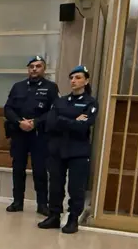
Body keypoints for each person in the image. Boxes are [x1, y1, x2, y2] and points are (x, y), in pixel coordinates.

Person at [38, 66, 98, 234]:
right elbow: (51, 123)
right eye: (71, 78)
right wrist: (73, 119)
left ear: (86, 81)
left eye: (78, 77)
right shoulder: (60, 101)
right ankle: (54, 216)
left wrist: (62, 119)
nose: (73, 81)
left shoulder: (90, 102)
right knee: (55, 185)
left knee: (76, 187)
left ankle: (73, 219)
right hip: (57, 149)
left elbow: (83, 126)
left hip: (78, 151)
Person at [3, 55, 59, 215]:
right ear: (28, 69)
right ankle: (17, 202)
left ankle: (42, 204)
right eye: (31, 66)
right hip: (19, 133)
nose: (34, 69)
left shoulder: (51, 87)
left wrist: (35, 122)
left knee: (40, 170)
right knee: (17, 168)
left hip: (39, 135)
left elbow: (54, 111)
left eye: (38, 66)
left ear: (44, 69)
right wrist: (19, 122)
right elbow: (8, 108)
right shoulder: (18, 86)